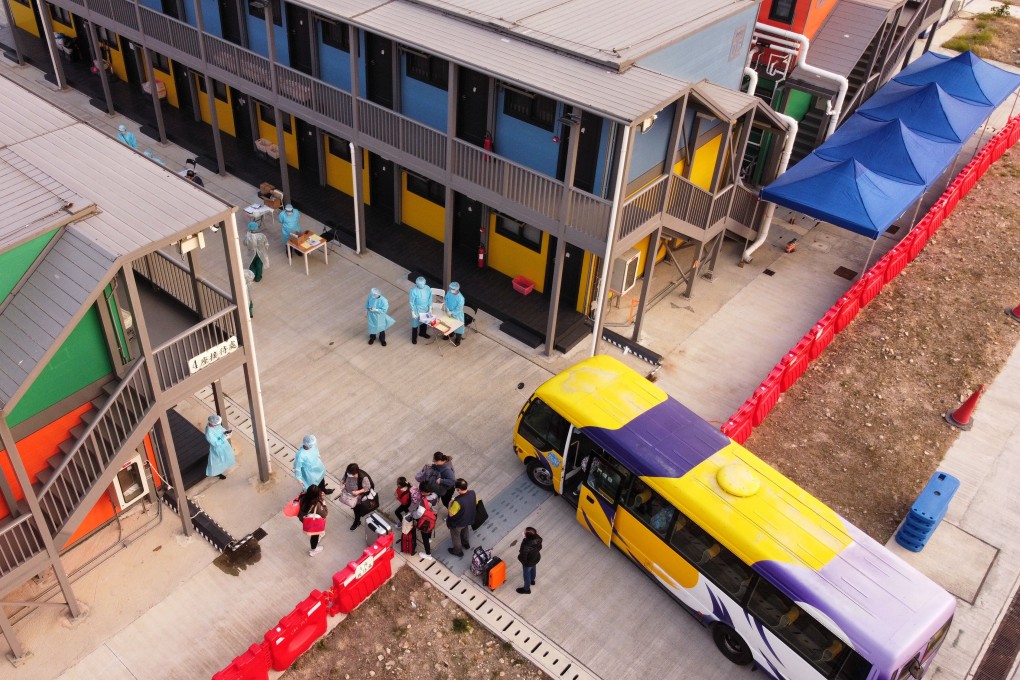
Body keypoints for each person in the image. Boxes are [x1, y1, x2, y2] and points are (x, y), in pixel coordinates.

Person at [338, 463, 375, 530]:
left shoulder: (363, 477)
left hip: (359, 495)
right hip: (350, 494)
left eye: (351, 475)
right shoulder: (348, 472)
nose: (349, 475)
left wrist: (358, 492)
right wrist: (342, 482)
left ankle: (357, 521)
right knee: (355, 507)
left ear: (355, 472)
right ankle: (357, 514)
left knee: (356, 508)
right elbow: (344, 477)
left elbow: (367, 487)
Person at [446, 478, 476, 557]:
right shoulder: (473, 493)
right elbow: (475, 503)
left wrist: (450, 504)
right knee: (465, 530)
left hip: (458, 523)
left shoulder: (457, 502)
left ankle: (457, 551)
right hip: (469, 519)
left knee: (456, 536)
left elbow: (451, 514)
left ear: (458, 489)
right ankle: (466, 543)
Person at [297, 482, 328, 556]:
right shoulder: (316, 504)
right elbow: (325, 514)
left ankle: (316, 542)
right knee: (314, 535)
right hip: (313, 522)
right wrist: (323, 503)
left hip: (304, 519)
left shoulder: (303, 497)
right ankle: (313, 550)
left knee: (314, 533)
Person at [410, 482, 438, 561]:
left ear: (423, 492)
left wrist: (412, 514)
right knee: (431, 528)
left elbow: (419, 514)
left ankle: (428, 554)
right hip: (434, 516)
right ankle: (429, 538)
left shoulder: (424, 502)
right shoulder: (435, 495)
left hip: (426, 520)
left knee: (424, 537)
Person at [204, 414, 235, 480]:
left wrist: (226, 433)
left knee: (226, 457)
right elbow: (215, 443)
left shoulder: (216, 425)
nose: (219, 424)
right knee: (217, 461)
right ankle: (216, 473)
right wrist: (224, 437)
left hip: (224, 445)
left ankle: (222, 469)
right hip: (218, 449)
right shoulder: (209, 433)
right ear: (213, 423)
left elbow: (221, 429)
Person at [515, 527, 543, 594]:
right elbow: (540, 547)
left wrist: (523, 562)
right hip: (535, 558)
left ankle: (526, 589)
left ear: (527, 536)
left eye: (524, 532)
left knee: (526, 574)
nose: (522, 532)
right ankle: (532, 580)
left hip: (528, 562)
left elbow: (523, 558)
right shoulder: (538, 538)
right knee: (533, 568)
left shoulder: (526, 546)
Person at [408, 276, 432, 345]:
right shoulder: (413, 291)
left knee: (424, 322)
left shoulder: (427, 288)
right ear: (417, 284)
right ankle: (414, 338)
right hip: (417, 310)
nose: (421, 286)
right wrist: (413, 312)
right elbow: (411, 302)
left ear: (424, 283)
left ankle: (422, 333)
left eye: (422, 284)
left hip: (426, 309)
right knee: (415, 325)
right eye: (420, 285)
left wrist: (430, 308)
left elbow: (430, 298)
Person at [444, 282, 466, 347]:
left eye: (452, 289)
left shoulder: (461, 298)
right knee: (448, 324)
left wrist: (452, 312)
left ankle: (458, 340)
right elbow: (446, 300)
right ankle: (449, 334)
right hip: (448, 312)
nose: (451, 290)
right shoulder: (449, 292)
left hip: (457, 315)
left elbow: (459, 309)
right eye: (450, 288)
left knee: (458, 327)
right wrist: (447, 309)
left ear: (457, 289)